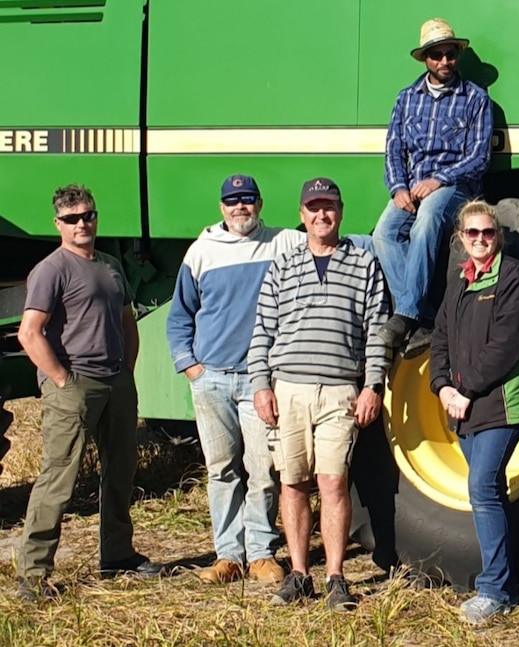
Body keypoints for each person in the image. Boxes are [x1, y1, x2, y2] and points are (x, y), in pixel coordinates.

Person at [248, 177, 390, 612]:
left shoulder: (363, 264)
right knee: (292, 483)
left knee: (332, 481)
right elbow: (262, 329)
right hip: (288, 388)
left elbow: (377, 332)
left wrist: (373, 385)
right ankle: (298, 575)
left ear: (341, 212)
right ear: (301, 214)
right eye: (314, 207)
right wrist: (260, 384)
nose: (321, 215)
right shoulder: (283, 265)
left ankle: (335, 577)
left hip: (339, 392)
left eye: (329, 207)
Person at [16, 184, 162, 601]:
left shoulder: (111, 266)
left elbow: (127, 322)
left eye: (88, 215)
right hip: (75, 386)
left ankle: (117, 555)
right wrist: (61, 379)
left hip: (115, 381)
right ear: (58, 224)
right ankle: (34, 572)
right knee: (58, 479)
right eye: (72, 218)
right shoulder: (52, 269)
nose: (83, 224)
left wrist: (127, 371)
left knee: (120, 472)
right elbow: (30, 332)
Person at [166, 174, 304, 585]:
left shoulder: (282, 243)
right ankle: (228, 554)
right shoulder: (201, 252)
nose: (240, 207)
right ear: (221, 207)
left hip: (259, 381)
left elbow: (326, 242)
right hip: (212, 380)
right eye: (232, 201)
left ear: (260, 204)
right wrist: (190, 365)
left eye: (247, 200)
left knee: (262, 469)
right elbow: (179, 318)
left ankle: (261, 553)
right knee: (222, 469)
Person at [429, 200, 519, 624]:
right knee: (491, 493)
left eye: (487, 233)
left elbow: (508, 343)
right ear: (460, 238)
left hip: (503, 403)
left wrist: (465, 388)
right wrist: (441, 387)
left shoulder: (513, 276)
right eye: (471, 234)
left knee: (482, 489)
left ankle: (493, 590)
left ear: (498, 237)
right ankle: (508, 583)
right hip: (463, 406)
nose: (480, 240)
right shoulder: (459, 281)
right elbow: (440, 337)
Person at [373, 17, 493, 358]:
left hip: (455, 186)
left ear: (457, 56)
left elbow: (478, 158)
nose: (444, 61)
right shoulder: (406, 98)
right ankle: (422, 317)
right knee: (384, 233)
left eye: (449, 54)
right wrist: (398, 188)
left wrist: (438, 179)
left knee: (427, 218)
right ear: (424, 58)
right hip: (411, 187)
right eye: (436, 55)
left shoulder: (475, 98)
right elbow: (394, 150)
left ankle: (407, 314)